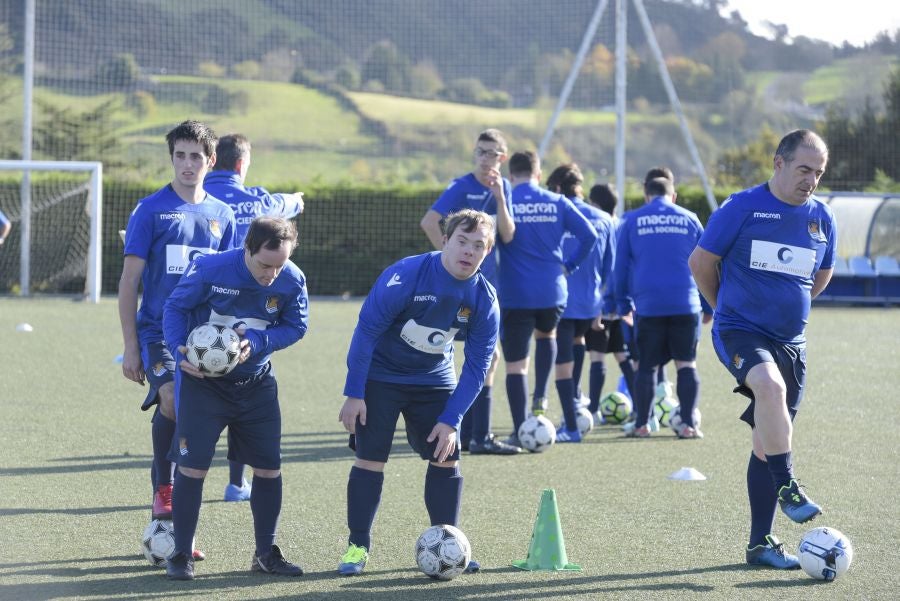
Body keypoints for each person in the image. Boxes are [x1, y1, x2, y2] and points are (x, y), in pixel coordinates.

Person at [689, 129, 834, 569]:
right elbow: (700, 263)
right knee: (769, 389)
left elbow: (820, 274)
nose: (811, 180)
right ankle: (789, 485)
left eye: (819, 173)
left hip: (791, 343)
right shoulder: (741, 206)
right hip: (739, 332)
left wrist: (791, 306)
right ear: (779, 163)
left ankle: (759, 544)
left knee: (765, 442)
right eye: (804, 169)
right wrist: (725, 311)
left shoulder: (822, 217)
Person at [337, 209, 500, 576]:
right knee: (370, 459)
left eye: (478, 245)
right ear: (445, 240)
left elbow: (477, 367)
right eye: (462, 241)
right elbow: (366, 332)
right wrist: (355, 392)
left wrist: (451, 419)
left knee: (446, 455)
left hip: (434, 380)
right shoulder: (406, 275)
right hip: (380, 378)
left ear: (487, 252)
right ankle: (357, 547)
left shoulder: (484, 300)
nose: (468, 251)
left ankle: (451, 543)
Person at [162, 216, 309, 580]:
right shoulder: (210, 268)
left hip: (257, 386)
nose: (271, 275)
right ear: (248, 249)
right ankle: (181, 553)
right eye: (264, 265)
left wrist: (260, 341)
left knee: (269, 468)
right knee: (192, 467)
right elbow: (175, 308)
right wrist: (179, 350)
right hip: (203, 387)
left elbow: (297, 325)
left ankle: (264, 555)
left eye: (280, 265)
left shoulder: (292, 279)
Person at [117, 120, 235, 559]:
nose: (188, 164)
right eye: (180, 155)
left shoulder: (223, 215)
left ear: (211, 161)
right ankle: (163, 491)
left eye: (196, 156)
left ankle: (178, 529)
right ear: (172, 159)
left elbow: (235, 280)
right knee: (171, 399)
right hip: (158, 332)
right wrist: (131, 346)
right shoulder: (150, 210)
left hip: (206, 338)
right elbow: (129, 281)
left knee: (195, 423)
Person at [204, 133, 306, 502]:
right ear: (242, 164)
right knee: (245, 388)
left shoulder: (198, 196)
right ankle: (235, 483)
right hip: (249, 310)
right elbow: (287, 203)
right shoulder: (258, 200)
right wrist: (296, 199)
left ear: (212, 160)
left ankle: (172, 481)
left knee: (194, 394)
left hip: (203, 306)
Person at [419, 128, 518, 455]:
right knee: (441, 351)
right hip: (456, 288)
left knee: (488, 357)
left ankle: (477, 435)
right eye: (480, 152)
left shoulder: (503, 188)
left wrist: (502, 198)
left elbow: (508, 234)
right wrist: (448, 260)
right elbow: (429, 222)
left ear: (501, 158)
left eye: (491, 153)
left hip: (485, 288)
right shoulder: (462, 186)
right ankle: (466, 432)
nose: (484, 158)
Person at [496, 151, 598, 446]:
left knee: (516, 366)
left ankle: (520, 428)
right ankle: (540, 396)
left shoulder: (506, 202)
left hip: (515, 293)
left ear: (511, 176)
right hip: (552, 291)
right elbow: (589, 235)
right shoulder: (557, 201)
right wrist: (569, 266)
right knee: (547, 334)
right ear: (538, 175)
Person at [614, 176, 706, 439]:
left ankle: (642, 424)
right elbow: (707, 262)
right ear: (673, 196)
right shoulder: (690, 218)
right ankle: (688, 425)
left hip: (648, 305)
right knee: (687, 364)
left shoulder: (631, 220)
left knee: (646, 366)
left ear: (646, 195)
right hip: (685, 304)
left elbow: (620, 267)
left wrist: (622, 302)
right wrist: (708, 302)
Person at [544, 164, 614, 441]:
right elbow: (611, 268)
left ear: (558, 188)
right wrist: (602, 305)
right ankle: (575, 400)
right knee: (577, 343)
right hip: (590, 304)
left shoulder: (555, 214)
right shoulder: (604, 218)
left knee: (560, 361)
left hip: (559, 301)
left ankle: (570, 426)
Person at [580, 183, 636, 421]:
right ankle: (643, 406)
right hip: (620, 301)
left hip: (601, 302)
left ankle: (591, 409)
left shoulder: (599, 223)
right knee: (622, 354)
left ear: (594, 203)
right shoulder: (622, 224)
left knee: (596, 355)